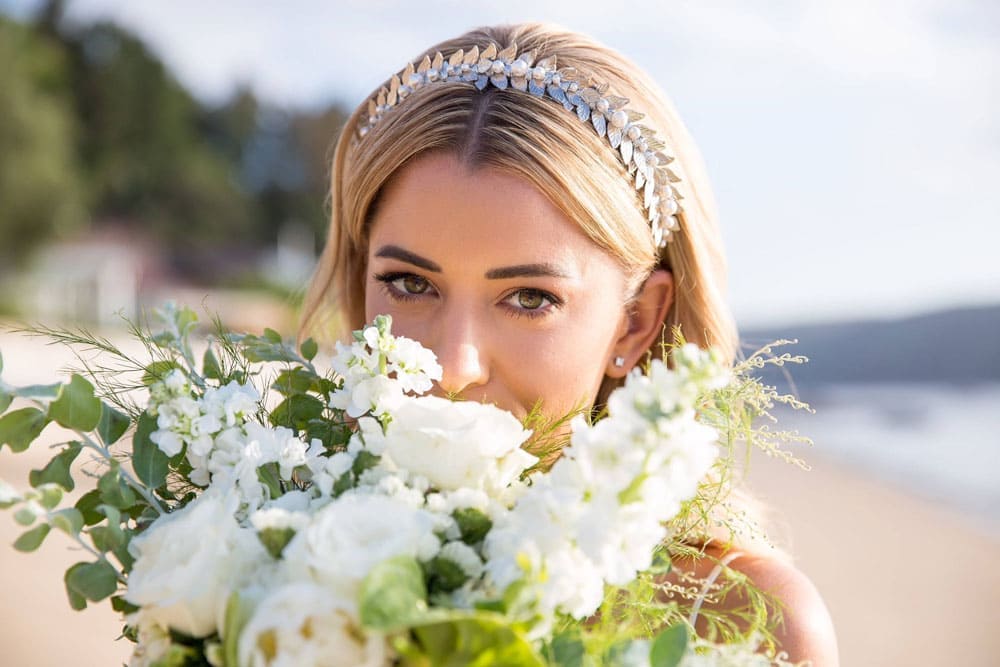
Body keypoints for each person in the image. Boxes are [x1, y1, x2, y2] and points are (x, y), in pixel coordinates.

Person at [301, 22, 838, 665]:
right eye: (410, 284)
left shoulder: (739, 625)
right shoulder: (267, 550)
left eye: (530, 298)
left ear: (636, 322)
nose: (453, 367)